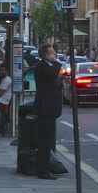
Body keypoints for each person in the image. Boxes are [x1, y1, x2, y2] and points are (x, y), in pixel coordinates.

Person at [33, 44, 63, 180]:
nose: (55, 54)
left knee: (47, 141)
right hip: (45, 109)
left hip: (50, 109)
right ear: (46, 55)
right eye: (52, 52)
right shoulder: (42, 67)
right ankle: (42, 170)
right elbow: (52, 75)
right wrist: (57, 63)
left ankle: (45, 168)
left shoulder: (47, 66)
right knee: (45, 141)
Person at [0, 63, 12, 137]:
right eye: (0, 70)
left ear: (7, 71)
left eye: (2, 70)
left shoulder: (6, 80)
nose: (0, 72)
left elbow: (0, 92)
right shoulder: (4, 79)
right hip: (2, 101)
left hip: (2, 102)